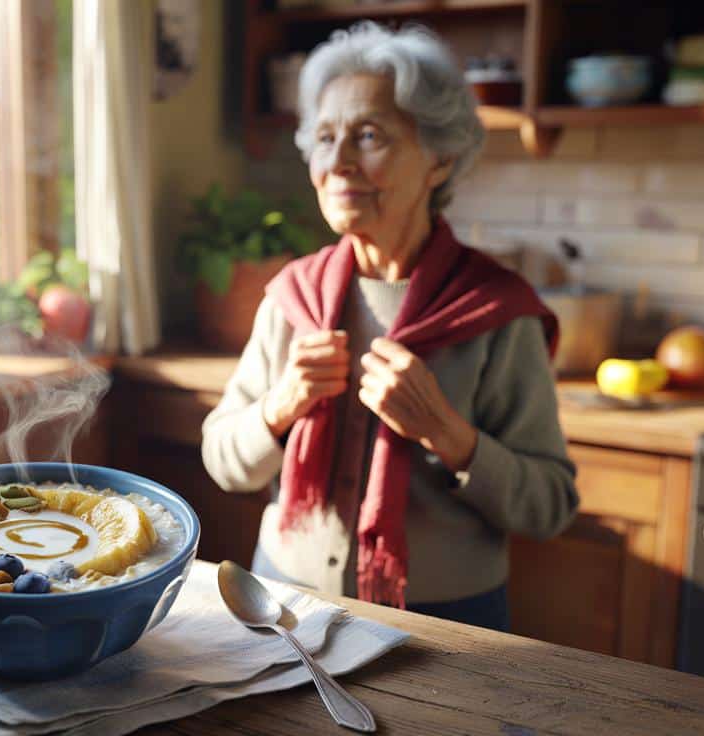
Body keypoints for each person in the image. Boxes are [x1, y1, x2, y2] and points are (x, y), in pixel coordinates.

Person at [200, 23, 578, 631]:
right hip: (279, 605)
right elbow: (223, 459)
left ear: (441, 160)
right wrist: (281, 405)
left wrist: (449, 436)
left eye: (369, 135)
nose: (339, 162)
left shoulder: (497, 312)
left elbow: (550, 505)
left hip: (446, 628)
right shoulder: (291, 296)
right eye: (325, 138)